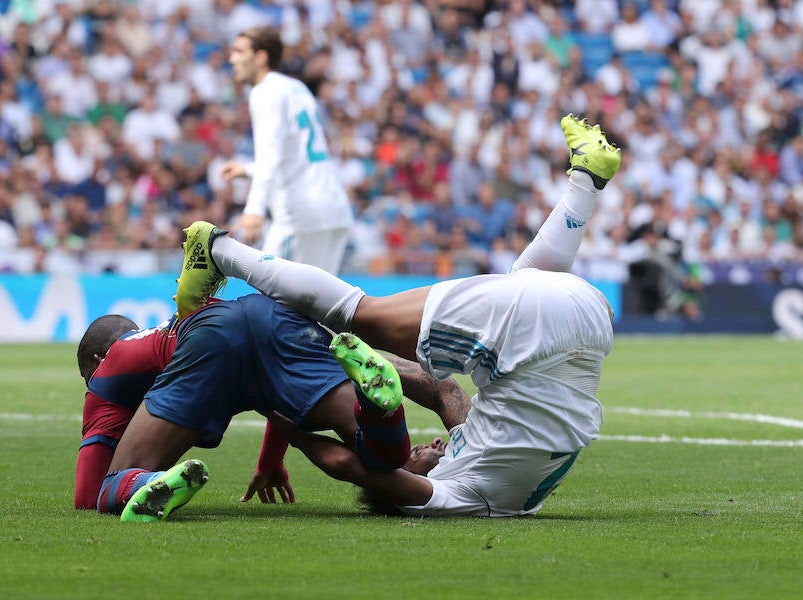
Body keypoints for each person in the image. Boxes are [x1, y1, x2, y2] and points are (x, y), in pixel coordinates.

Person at [173, 114, 622, 516]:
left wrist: (345, 363)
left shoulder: (514, 487)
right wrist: (279, 412)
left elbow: (443, 391)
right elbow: (349, 465)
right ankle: (218, 250)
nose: (427, 445)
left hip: (588, 317)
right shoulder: (457, 493)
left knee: (523, 285)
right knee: (360, 314)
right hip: (542, 329)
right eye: (414, 458)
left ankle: (586, 181)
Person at [76, 295, 414, 521]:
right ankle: (379, 409)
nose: (90, 386)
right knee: (384, 456)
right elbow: (274, 408)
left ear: (97, 359)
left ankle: (154, 481)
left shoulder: (108, 371)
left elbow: (86, 496)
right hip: (266, 317)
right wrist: (270, 462)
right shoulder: (167, 326)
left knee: (109, 489)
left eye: (86, 378)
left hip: (210, 344)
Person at [218, 26, 353, 276]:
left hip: (301, 216)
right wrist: (248, 170)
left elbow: (270, 155)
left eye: (239, 51)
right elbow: (295, 154)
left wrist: (254, 209)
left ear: (261, 57)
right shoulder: (295, 87)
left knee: (271, 295)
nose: (232, 58)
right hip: (333, 210)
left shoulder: (264, 92)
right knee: (319, 300)